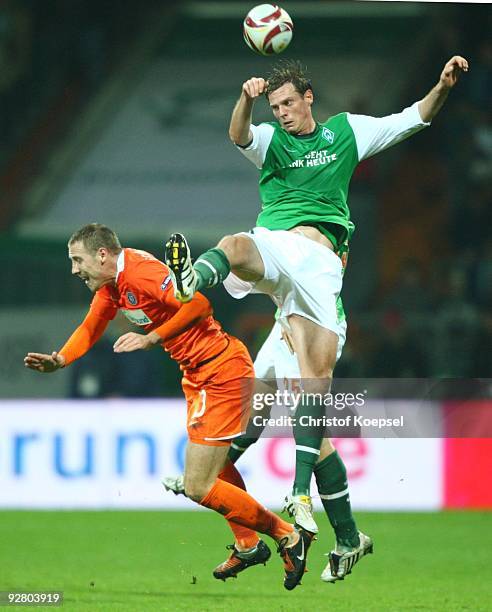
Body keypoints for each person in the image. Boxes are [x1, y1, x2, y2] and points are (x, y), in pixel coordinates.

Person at [164, 54, 469, 571]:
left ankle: (328, 525)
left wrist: (441, 86)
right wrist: (245, 98)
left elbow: (414, 117)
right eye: (274, 105)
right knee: (238, 250)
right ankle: (192, 279)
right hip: (279, 253)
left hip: (317, 268)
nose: (280, 113)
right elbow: (239, 135)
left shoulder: (347, 134)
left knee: (291, 396)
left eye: (287, 103)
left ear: (309, 99)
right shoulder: (270, 142)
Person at [23, 223, 314, 591]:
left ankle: (287, 535)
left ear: (101, 255)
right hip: (198, 375)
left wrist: (152, 338)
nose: (74, 270)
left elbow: (200, 303)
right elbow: (91, 326)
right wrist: (61, 360)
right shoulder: (113, 286)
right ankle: (247, 544)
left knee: (197, 485)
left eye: (77, 260)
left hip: (220, 372)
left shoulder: (142, 273)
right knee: (217, 466)